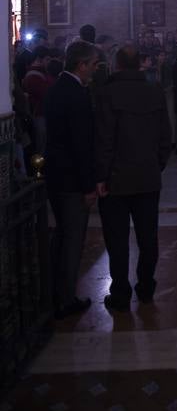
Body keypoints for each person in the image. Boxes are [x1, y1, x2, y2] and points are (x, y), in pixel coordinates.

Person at [95, 46, 172, 311]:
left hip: (116, 179)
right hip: (148, 176)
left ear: (116, 64)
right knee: (148, 236)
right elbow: (165, 137)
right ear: (139, 64)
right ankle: (146, 287)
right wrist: (157, 165)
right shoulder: (154, 91)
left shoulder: (107, 93)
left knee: (116, 240)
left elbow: (105, 139)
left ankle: (120, 293)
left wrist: (101, 175)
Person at [44, 40, 98, 318]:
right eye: (93, 65)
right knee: (72, 241)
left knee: (61, 237)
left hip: (55, 175)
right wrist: (88, 186)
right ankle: (65, 299)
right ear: (82, 65)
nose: (95, 70)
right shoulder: (76, 94)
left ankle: (53, 293)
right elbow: (81, 145)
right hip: (71, 181)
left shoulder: (56, 87)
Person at [21, 44, 54, 152]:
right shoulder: (33, 76)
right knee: (41, 145)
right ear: (39, 59)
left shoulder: (41, 73)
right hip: (39, 114)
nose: (49, 62)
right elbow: (46, 94)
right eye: (47, 59)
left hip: (43, 113)